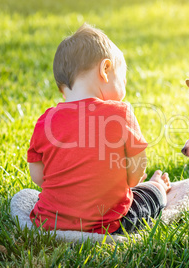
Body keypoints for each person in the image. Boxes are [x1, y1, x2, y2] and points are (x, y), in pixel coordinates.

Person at [27, 23, 171, 235]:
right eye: (123, 79)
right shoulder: (120, 113)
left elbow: (38, 177)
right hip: (110, 224)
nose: (125, 87)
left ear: (62, 87)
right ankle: (158, 186)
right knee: (148, 196)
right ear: (105, 70)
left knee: (25, 196)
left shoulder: (45, 121)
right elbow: (135, 175)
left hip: (51, 222)